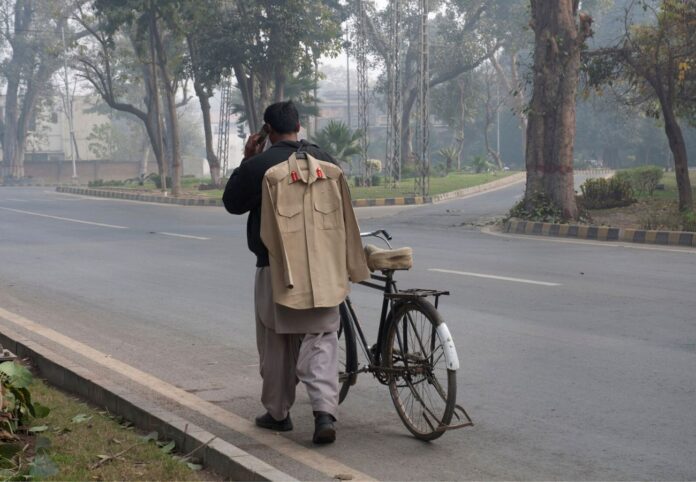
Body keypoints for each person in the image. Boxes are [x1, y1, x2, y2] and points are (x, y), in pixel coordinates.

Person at [223, 101, 348, 444]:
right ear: (299, 126)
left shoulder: (260, 166)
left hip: (275, 267)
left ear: (267, 131)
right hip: (323, 267)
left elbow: (232, 202)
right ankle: (324, 413)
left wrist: (249, 156)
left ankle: (278, 414)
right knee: (322, 337)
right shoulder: (328, 161)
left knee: (276, 340)